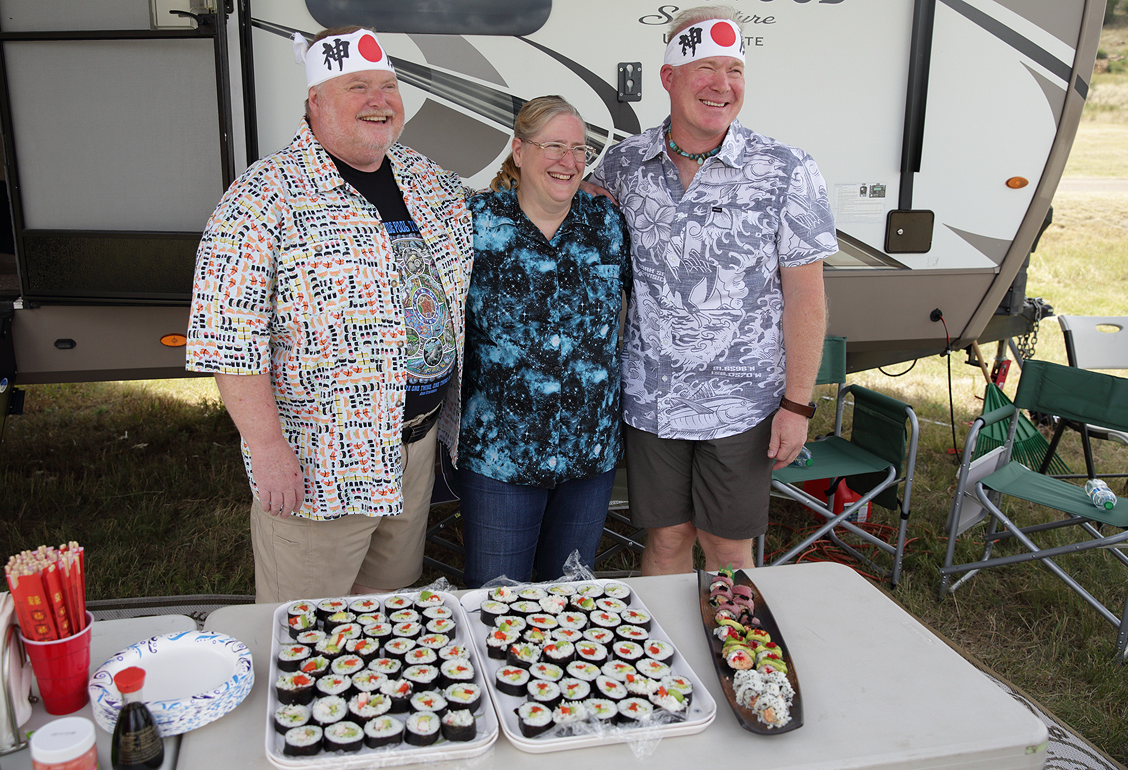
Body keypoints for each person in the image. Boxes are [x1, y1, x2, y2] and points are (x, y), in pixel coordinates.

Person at [186, 26, 472, 602]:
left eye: (389, 86)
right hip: (323, 458)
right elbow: (226, 341)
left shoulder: (420, 176)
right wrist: (268, 453)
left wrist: (575, 184)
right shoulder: (262, 198)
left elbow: (500, 211)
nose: (380, 100)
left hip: (413, 447)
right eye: (357, 87)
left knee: (387, 603)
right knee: (304, 622)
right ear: (315, 100)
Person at [587, 6, 836, 575]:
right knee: (668, 540)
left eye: (735, 70)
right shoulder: (624, 164)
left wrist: (797, 404)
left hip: (742, 405)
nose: (722, 85)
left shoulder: (786, 169)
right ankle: (664, 662)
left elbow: (806, 297)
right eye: (704, 68)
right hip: (653, 400)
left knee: (727, 549)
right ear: (669, 77)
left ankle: (738, 662)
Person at [457, 96, 630, 588]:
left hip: (588, 451)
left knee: (571, 598)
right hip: (500, 454)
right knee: (496, 600)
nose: (569, 160)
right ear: (518, 150)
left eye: (579, 149)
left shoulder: (606, 224)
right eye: (553, 145)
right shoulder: (475, 223)